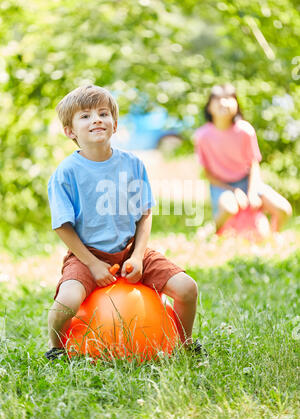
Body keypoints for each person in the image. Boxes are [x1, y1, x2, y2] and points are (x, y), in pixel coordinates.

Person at [45, 84, 200, 360]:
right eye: (85, 116)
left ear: (114, 125)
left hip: (130, 250)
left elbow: (144, 214)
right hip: (86, 255)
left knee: (188, 288)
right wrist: (92, 265)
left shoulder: (133, 164)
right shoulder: (65, 173)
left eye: (103, 113)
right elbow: (62, 226)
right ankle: (56, 348)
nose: (96, 119)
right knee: (66, 301)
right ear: (70, 131)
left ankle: (184, 343)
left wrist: (138, 256)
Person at [194, 84, 292, 232]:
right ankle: (214, 233)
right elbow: (207, 173)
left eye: (228, 98)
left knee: (284, 209)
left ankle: (273, 237)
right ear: (209, 107)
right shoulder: (202, 136)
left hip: (248, 182)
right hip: (222, 186)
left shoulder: (245, 130)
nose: (223, 103)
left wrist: (252, 192)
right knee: (229, 208)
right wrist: (233, 191)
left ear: (236, 104)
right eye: (218, 99)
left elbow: (253, 164)